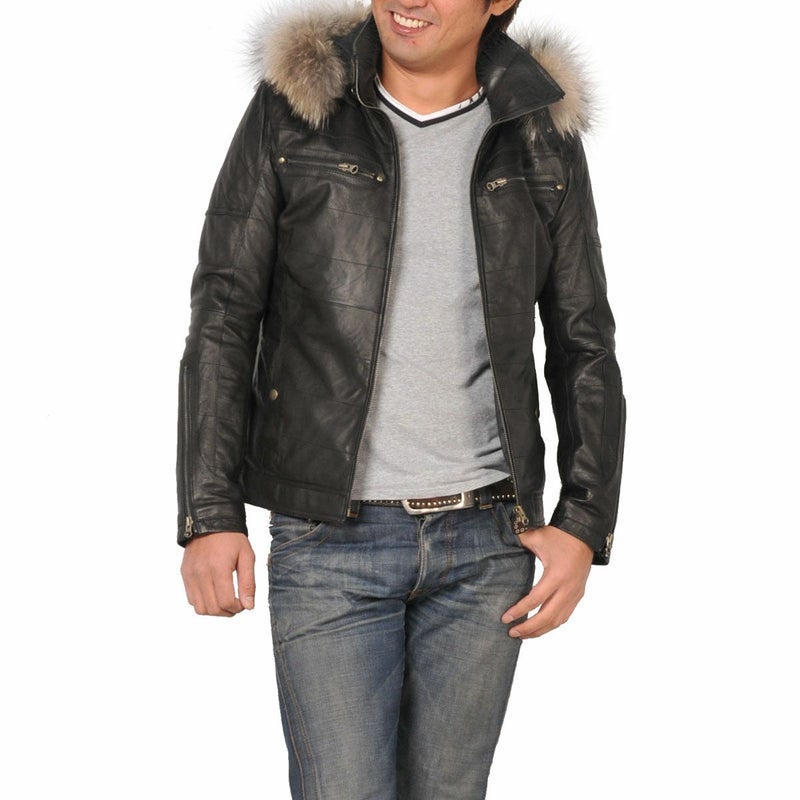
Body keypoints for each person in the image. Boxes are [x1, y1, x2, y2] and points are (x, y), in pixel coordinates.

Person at [177, 1, 625, 797]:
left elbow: (583, 339)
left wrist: (584, 524)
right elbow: (224, 313)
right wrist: (210, 512)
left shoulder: (537, 129)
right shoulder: (297, 110)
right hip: (330, 539)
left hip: (489, 542)